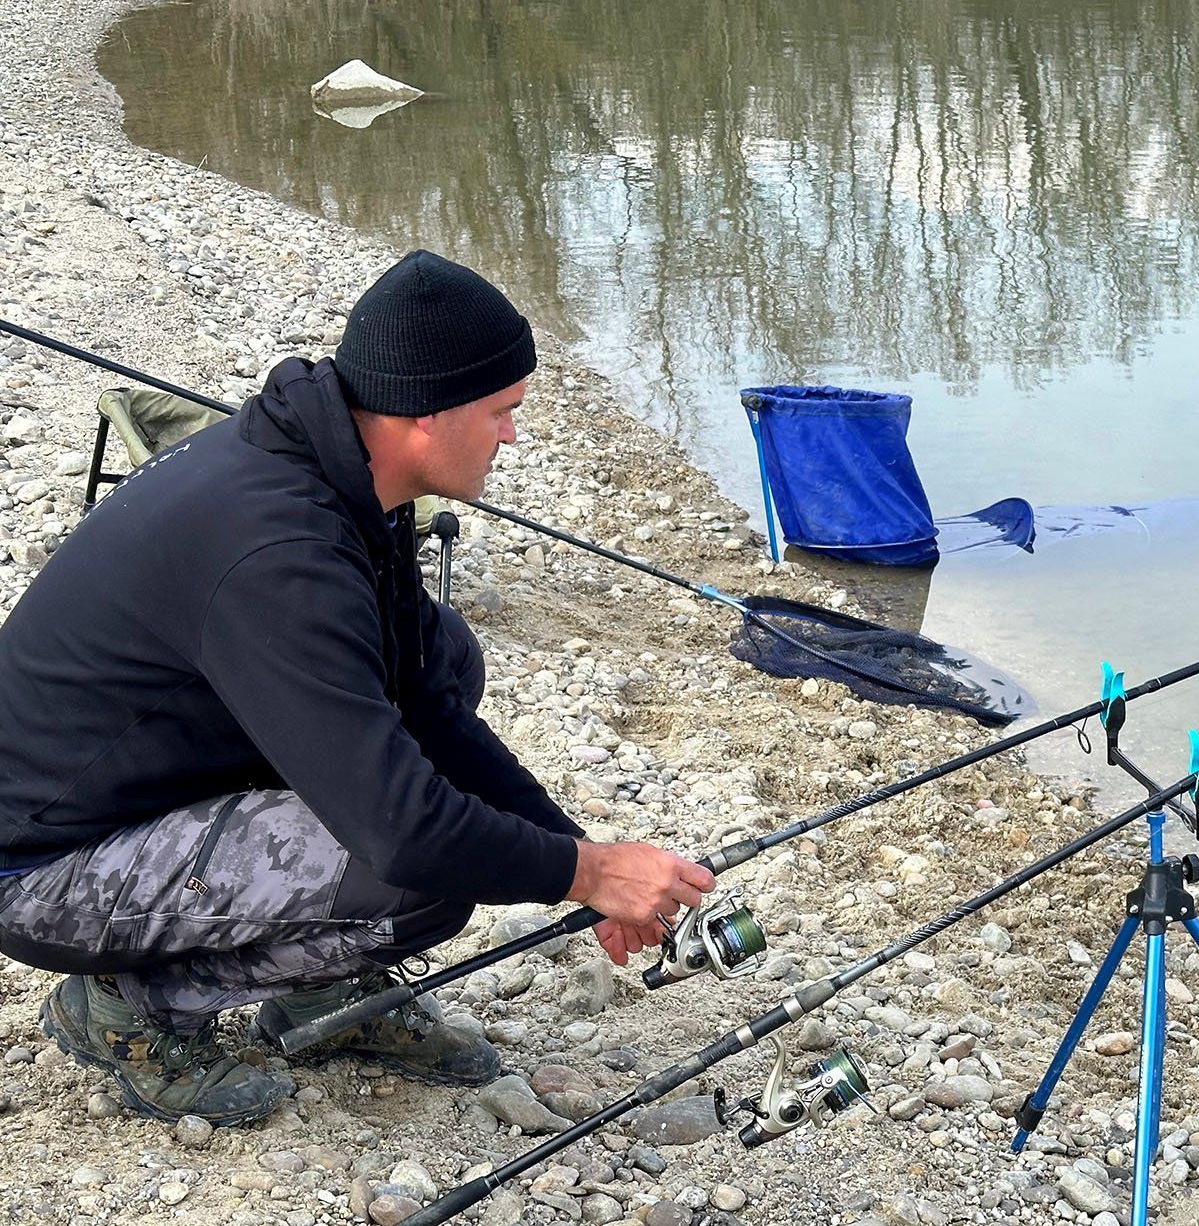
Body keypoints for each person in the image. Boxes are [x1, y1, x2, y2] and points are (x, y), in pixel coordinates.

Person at [0, 250, 713, 1126]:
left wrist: (578, 853)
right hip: (41, 868)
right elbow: (406, 833)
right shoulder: (277, 553)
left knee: (444, 657)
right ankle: (126, 1005)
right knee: (419, 878)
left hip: (144, 781)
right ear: (425, 416)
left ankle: (313, 996)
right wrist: (587, 874)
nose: (512, 437)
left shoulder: (340, 474)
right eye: (502, 412)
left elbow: (428, 703)